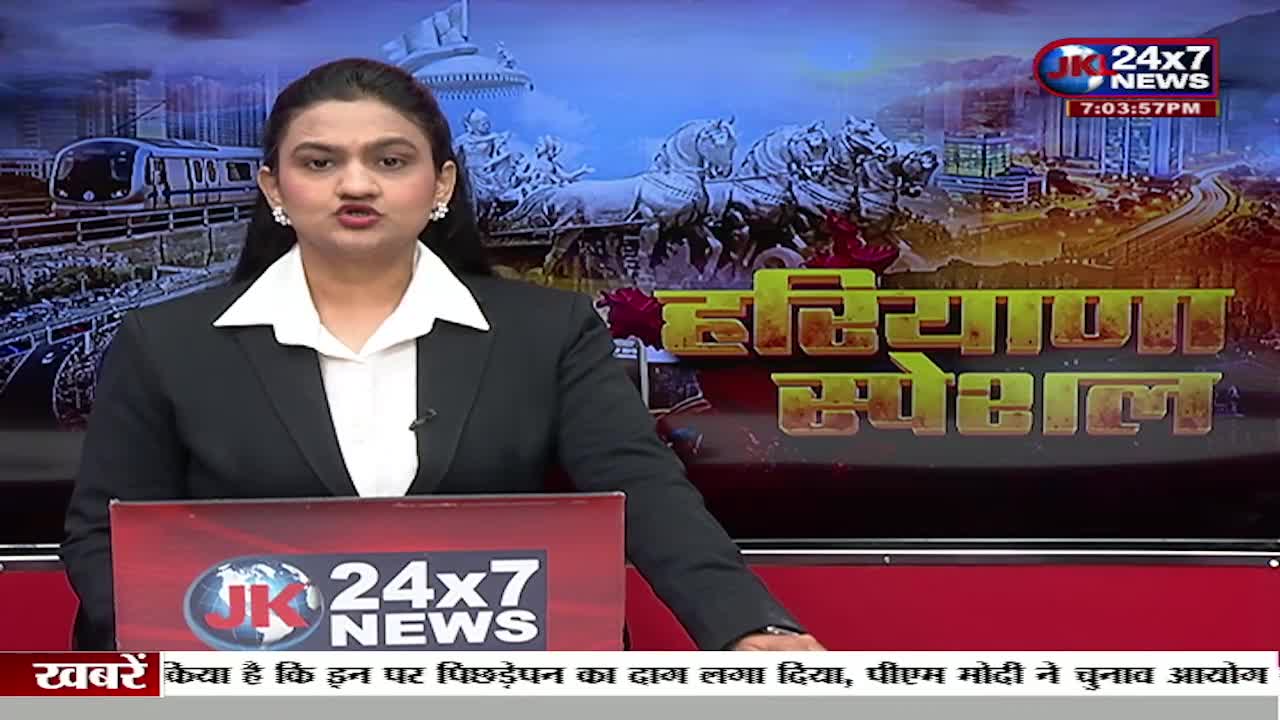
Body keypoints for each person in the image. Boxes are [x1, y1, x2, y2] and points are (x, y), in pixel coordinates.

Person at [60, 58, 823, 653]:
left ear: (441, 185)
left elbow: (646, 495)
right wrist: (194, 653)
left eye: (391, 161)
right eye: (319, 162)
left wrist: (751, 628)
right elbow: (102, 535)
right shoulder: (168, 344)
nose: (355, 184)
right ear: (274, 188)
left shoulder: (549, 331)